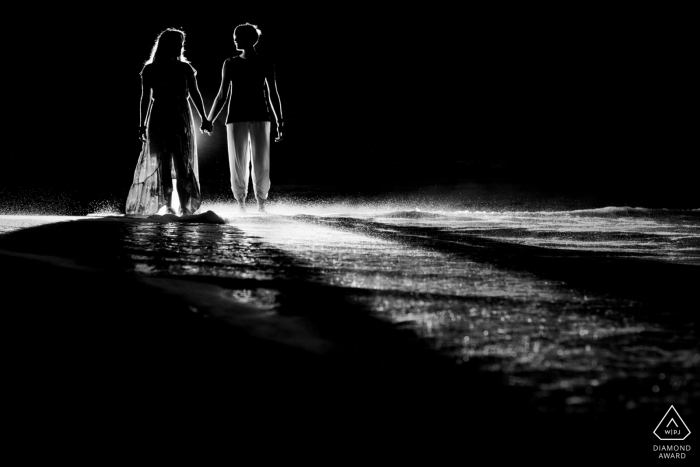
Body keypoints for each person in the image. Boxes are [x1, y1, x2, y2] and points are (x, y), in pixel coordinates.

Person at [126, 28, 210, 216]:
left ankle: (184, 206)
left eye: (181, 44)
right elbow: (145, 98)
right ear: (167, 45)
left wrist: (204, 117)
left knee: (182, 162)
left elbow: (195, 94)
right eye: (177, 43)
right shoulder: (150, 69)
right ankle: (168, 206)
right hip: (160, 116)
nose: (180, 47)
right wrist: (142, 124)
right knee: (163, 162)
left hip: (181, 116)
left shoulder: (185, 68)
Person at [207, 23, 283, 213]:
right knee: (238, 162)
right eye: (234, 36)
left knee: (261, 161)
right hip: (236, 118)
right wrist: (209, 120)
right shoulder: (230, 63)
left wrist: (280, 120)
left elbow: (274, 94)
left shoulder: (265, 62)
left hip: (260, 115)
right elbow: (222, 94)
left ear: (250, 39)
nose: (234, 39)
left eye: (238, 36)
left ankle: (261, 205)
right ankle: (241, 205)